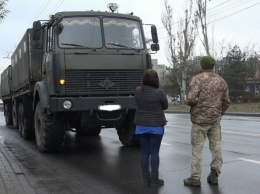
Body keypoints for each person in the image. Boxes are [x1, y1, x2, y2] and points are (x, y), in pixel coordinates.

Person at [183, 56, 230, 187]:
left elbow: (190, 99)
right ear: (213, 66)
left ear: (201, 66)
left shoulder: (197, 80)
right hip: (215, 121)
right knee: (216, 148)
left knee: (197, 149)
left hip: (199, 121)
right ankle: (215, 174)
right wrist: (219, 113)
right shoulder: (221, 81)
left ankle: (195, 178)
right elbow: (226, 101)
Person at [134, 69, 168, 187]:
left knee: (144, 152)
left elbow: (138, 103)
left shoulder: (138, 91)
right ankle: (154, 180)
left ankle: (145, 180)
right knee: (154, 152)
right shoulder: (159, 92)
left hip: (141, 126)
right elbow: (165, 106)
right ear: (156, 79)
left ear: (144, 79)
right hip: (156, 126)